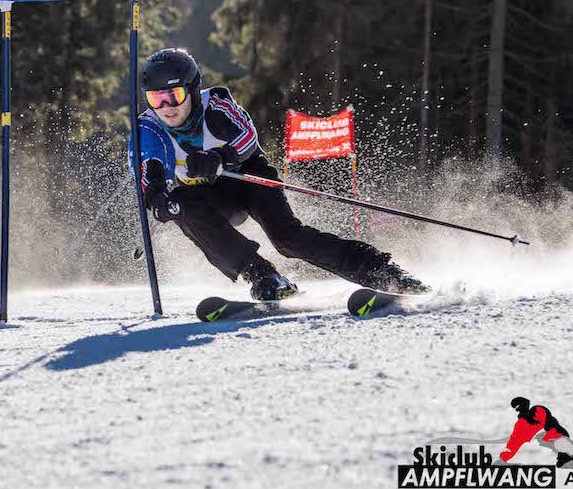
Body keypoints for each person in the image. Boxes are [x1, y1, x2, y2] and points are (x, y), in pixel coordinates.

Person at [128, 48, 425, 301]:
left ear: (192, 89)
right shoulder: (148, 129)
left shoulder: (215, 105)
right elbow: (150, 170)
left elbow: (247, 137)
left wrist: (220, 157)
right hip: (208, 198)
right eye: (156, 99)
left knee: (287, 239)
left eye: (174, 95)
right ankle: (262, 275)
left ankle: (380, 271)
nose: (166, 107)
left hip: (247, 177)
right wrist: (157, 199)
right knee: (181, 206)